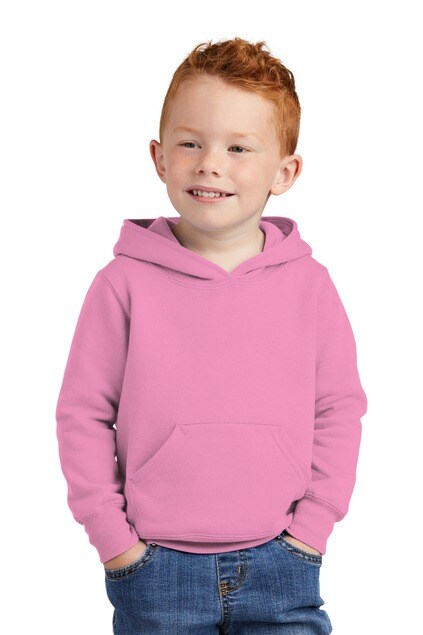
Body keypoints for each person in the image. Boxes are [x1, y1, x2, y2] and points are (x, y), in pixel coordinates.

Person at [56, 37, 367, 634]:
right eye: (190, 143)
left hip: (284, 558)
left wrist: (312, 529)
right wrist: (114, 541)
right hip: (153, 566)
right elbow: (83, 415)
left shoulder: (310, 286)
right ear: (159, 157)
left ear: (285, 172)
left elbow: (338, 409)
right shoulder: (121, 284)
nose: (210, 163)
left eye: (238, 147)